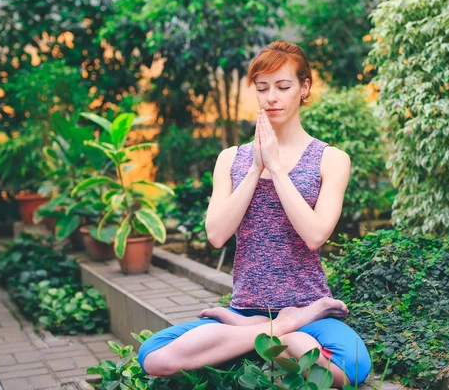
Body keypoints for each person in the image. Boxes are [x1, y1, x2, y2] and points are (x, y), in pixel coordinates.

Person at [138, 40, 372, 387]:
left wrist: (276, 169)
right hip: (247, 310)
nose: (271, 97)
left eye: (283, 86)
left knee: (352, 367)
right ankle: (275, 330)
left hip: (309, 307)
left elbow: (315, 234)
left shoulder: (330, 159)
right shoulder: (230, 159)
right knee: (154, 355)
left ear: (304, 88)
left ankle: (257, 338)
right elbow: (216, 236)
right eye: (262, 88)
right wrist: (254, 169)